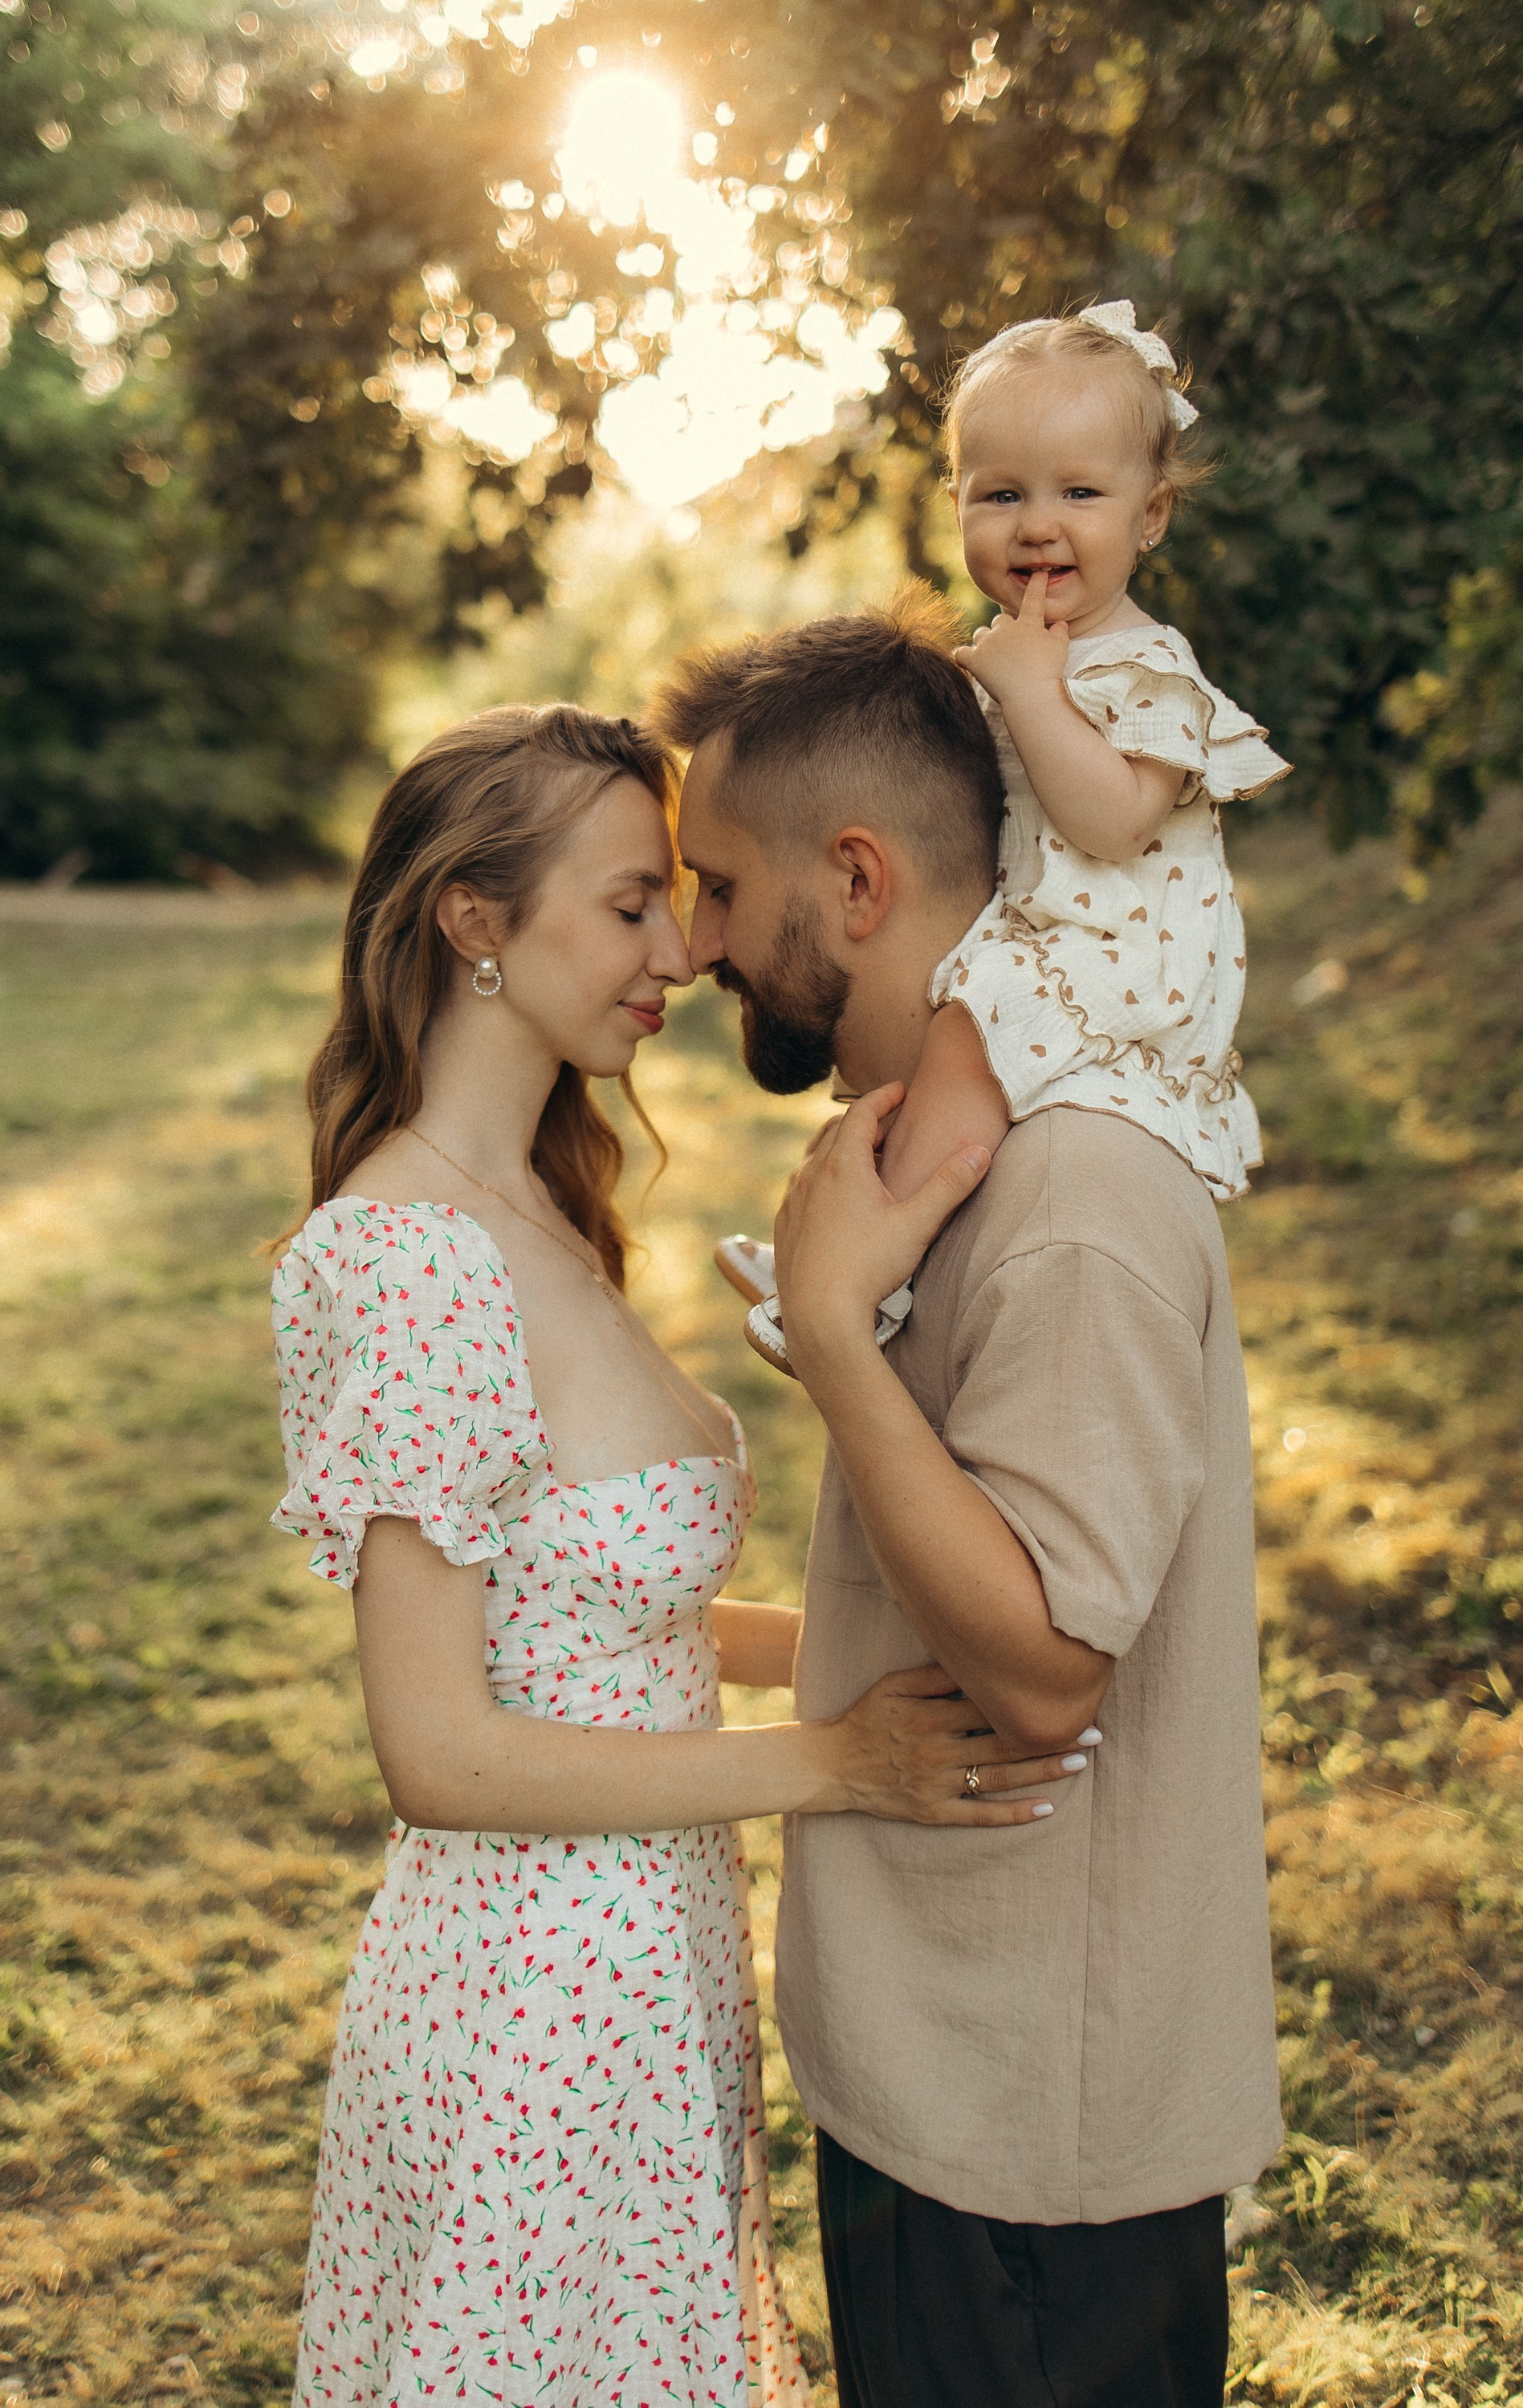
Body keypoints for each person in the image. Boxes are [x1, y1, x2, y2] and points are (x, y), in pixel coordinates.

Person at [267, 702, 1094, 2408]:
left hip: (645, 1969)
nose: (682, 951)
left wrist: (904, 1641)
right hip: (526, 2006)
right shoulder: (412, 1257)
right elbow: (438, 1749)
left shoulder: (544, 1212)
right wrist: (835, 1760)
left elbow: (589, 1606)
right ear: (474, 922)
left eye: (682, 901)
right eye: (632, 902)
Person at [655, 592, 1282, 2408]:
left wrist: (838, 1345)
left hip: (1026, 2142)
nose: (693, 943)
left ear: (855, 880)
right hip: (945, 2074)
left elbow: (1041, 1672)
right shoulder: (955, 1162)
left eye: (716, 884)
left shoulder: (1077, 1193)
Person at [724, 299, 1288, 1376]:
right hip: (1036, 928)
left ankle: (858, 1286)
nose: (1038, 524)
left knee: (963, 1047)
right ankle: (851, 1242)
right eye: (1002, 495)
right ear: (957, 505)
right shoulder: (1022, 652)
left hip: (1116, 952)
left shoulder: (1144, 666)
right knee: (909, 1042)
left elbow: (1116, 821)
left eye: (1080, 492)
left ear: (1152, 513)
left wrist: (1031, 693)